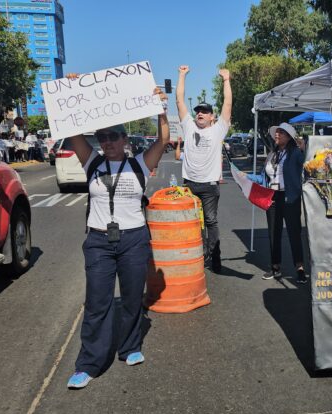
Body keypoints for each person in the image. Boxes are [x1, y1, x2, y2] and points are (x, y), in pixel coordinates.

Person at [63, 76, 170, 389]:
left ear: (125, 140)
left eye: (113, 136)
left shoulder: (139, 165)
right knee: (97, 302)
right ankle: (89, 363)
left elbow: (163, 140)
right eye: (103, 137)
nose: (107, 141)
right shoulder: (93, 163)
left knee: (132, 297)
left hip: (134, 239)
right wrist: (75, 91)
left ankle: (131, 347)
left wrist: (160, 110)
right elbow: (73, 132)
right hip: (99, 241)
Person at [175, 65, 232, 273]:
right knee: (190, 223)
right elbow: (180, 100)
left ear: (211, 117)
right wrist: (182, 75)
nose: (200, 113)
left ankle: (215, 257)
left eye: (205, 111)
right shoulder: (189, 126)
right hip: (189, 185)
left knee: (210, 221)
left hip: (209, 186)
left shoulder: (218, 130)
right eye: (198, 110)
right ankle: (196, 254)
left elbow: (228, 104)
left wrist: (226, 80)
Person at [247, 123, 307, 284]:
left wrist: (304, 147)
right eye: (277, 132)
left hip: (289, 197)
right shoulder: (272, 154)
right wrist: (246, 177)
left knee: (294, 233)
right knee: (274, 233)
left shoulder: (295, 153)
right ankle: (275, 267)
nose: (277, 134)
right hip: (272, 196)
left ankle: (300, 268)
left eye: (281, 132)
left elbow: (306, 163)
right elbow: (263, 178)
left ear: (289, 137)